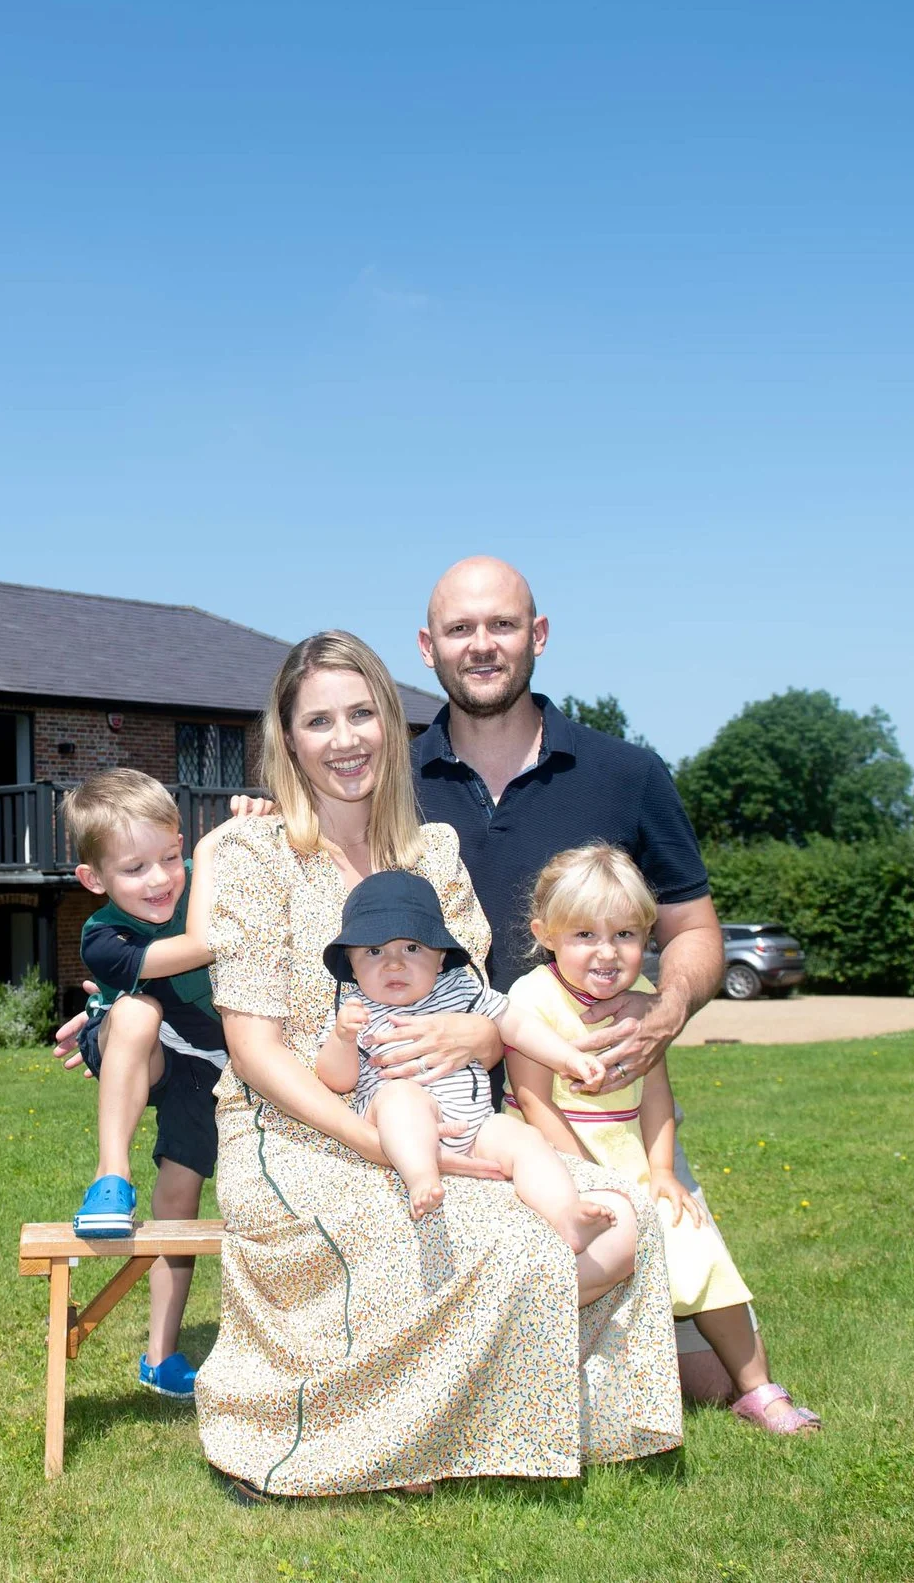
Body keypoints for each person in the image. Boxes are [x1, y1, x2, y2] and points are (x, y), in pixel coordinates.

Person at [194, 630, 680, 1497]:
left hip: (448, 1118)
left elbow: (486, 1016)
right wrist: (372, 1140)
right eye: (318, 721)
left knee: (622, 1212)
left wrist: (475, 1044)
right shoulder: (252, 854)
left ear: (389, 720)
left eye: (360, 713)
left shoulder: (435, 855)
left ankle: (451, 1412)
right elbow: (255, 1048)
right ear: (289, 738)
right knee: (464, 1237)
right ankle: (404, 1431)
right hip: (296, 1130)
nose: (344, 739)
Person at [411, 554, 740, 1399]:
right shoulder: (388, 782)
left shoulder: (626, 772)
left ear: (539, 636)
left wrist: (667, 1007)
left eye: (502, 625)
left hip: (591, 1106)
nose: (481, 645)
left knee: (705, 1360)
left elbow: (694, 927)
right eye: (460, 628)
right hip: (436, 1103)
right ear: (427, 648)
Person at [508, 844, 821, 1436]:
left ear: (647, 935)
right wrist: (588, 1179)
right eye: (584, 935)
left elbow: (655, 1095)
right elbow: (533, 1100)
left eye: (625, 934)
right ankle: (551, 1389)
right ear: (545, 934)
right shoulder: (532, 999)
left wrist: (663, 1172)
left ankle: (759, 1390)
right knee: (586, 1261)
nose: (607, 952)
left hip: (631, 1149)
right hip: (556, 1155)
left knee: (699, 1245)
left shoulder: (645, 995)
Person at [315, 872, 631, 1284]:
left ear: (441, 957)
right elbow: (336, 1079)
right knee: (402, 1097)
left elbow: (515, 1025)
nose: (394, 962)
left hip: (475, 1126)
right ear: (352, 965)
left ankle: (565, 1215)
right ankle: (421, 1177)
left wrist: (568, 1056)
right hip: (399, 1129)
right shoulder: (357, 1008)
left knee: (523, 1139)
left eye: (412, 947)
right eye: (374, 951)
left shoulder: (460, 990)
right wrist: (342, 1038)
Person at [62, 769, 225, 1401]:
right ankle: (111, 1178)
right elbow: (199, 946)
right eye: (134, 869)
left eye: (170, 858)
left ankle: (160, 1355)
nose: (159, 879)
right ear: (94, 880)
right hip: (139, 1050)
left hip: (205, 1064)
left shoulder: (198, 885)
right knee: (135, 1011)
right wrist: (210, 850)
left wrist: (251, 816)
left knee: (181, 1196)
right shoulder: (104, 937)